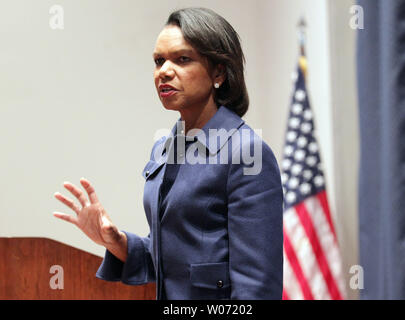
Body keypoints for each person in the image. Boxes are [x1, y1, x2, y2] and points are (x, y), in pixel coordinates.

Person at [53, 7, 283, 300]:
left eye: (182, 59)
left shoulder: (247, 152)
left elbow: (258, 287)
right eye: (159, 61)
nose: (164, 71)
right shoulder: (165, 147)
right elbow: (175, 261)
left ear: (218, 72)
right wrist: (116, 241)